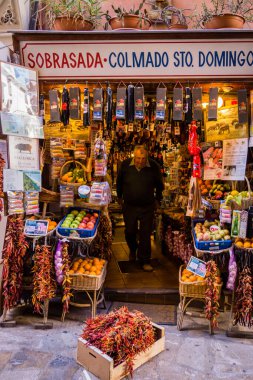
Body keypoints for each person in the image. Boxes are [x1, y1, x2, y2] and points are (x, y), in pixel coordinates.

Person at [116, 145, 164, 272]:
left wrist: (157, 200)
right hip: (129, 205)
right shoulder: (126, 165)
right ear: (134, 156)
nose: (140, 161)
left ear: (146, 157)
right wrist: (119, 197)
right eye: (138, 158)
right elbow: (119, 181)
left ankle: (145, 260)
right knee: (130, 231)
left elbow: (160, 185)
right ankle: (133, 248)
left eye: (143, 158)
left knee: (145, 233)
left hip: (147, 206)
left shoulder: (154, 166)